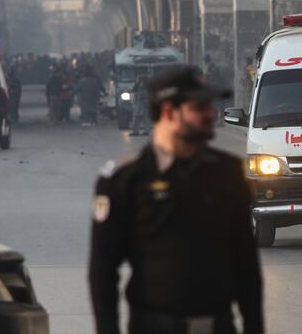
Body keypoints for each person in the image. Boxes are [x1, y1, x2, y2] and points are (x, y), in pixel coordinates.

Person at [88, 66, 263, 334]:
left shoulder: (227, 173)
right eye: (199, 107)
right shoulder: (123, 181)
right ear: (169, 112)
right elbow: (103, 270)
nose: (210, 114)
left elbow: (246, 263)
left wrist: (255, 327)